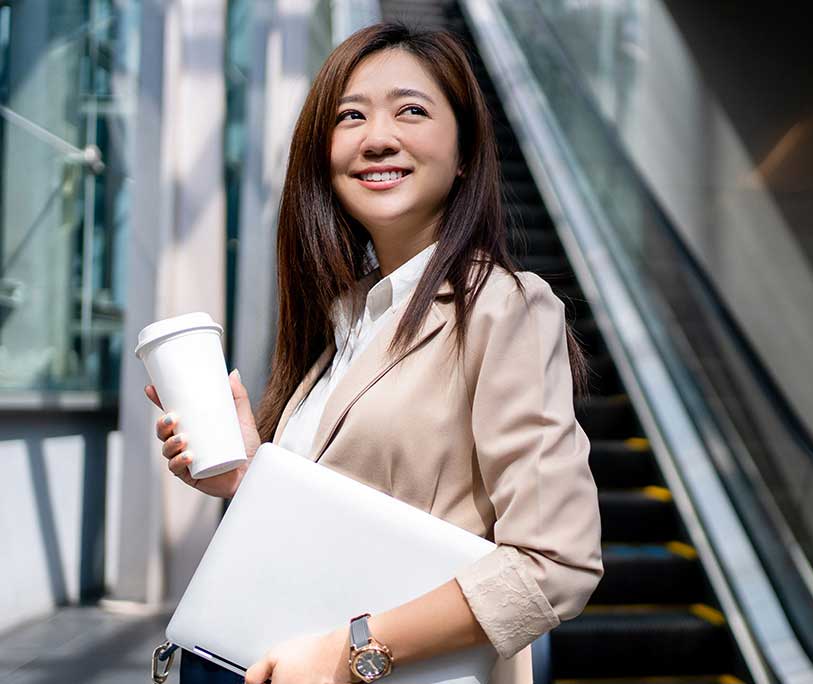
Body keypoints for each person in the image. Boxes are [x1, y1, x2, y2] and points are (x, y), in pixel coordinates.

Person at [144, 22, 603, 684]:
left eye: (411, 111)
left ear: (467, 150)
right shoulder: (347, 317)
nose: (378, 137)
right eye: (349, 117)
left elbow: (554, 563)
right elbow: (350, 525)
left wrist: (351, 651)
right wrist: (249, 478)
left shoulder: (506, 307)